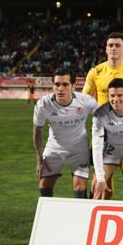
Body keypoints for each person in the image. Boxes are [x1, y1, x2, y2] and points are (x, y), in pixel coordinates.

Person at [83, 33, 123, 200]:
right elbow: (85, 98)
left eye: (117, 45)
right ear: (106, 49)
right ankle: (102, 213)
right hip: (105, 133)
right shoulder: (96, 71)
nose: (114, 48)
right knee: (103, 176)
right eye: (110, 45)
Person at [33, 70, 98, 198]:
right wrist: (39, 159)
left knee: (80, 186)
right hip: (54, 148)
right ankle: (48, 215)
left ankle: (82, 215)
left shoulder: (86, 101)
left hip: (79, 149)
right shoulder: (43, 104)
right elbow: (37, 130)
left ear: (73, 86)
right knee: (44, 185)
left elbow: (103, 121)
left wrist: (96, 150)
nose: (60, 89)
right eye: (57, 84)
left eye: (65, 84)